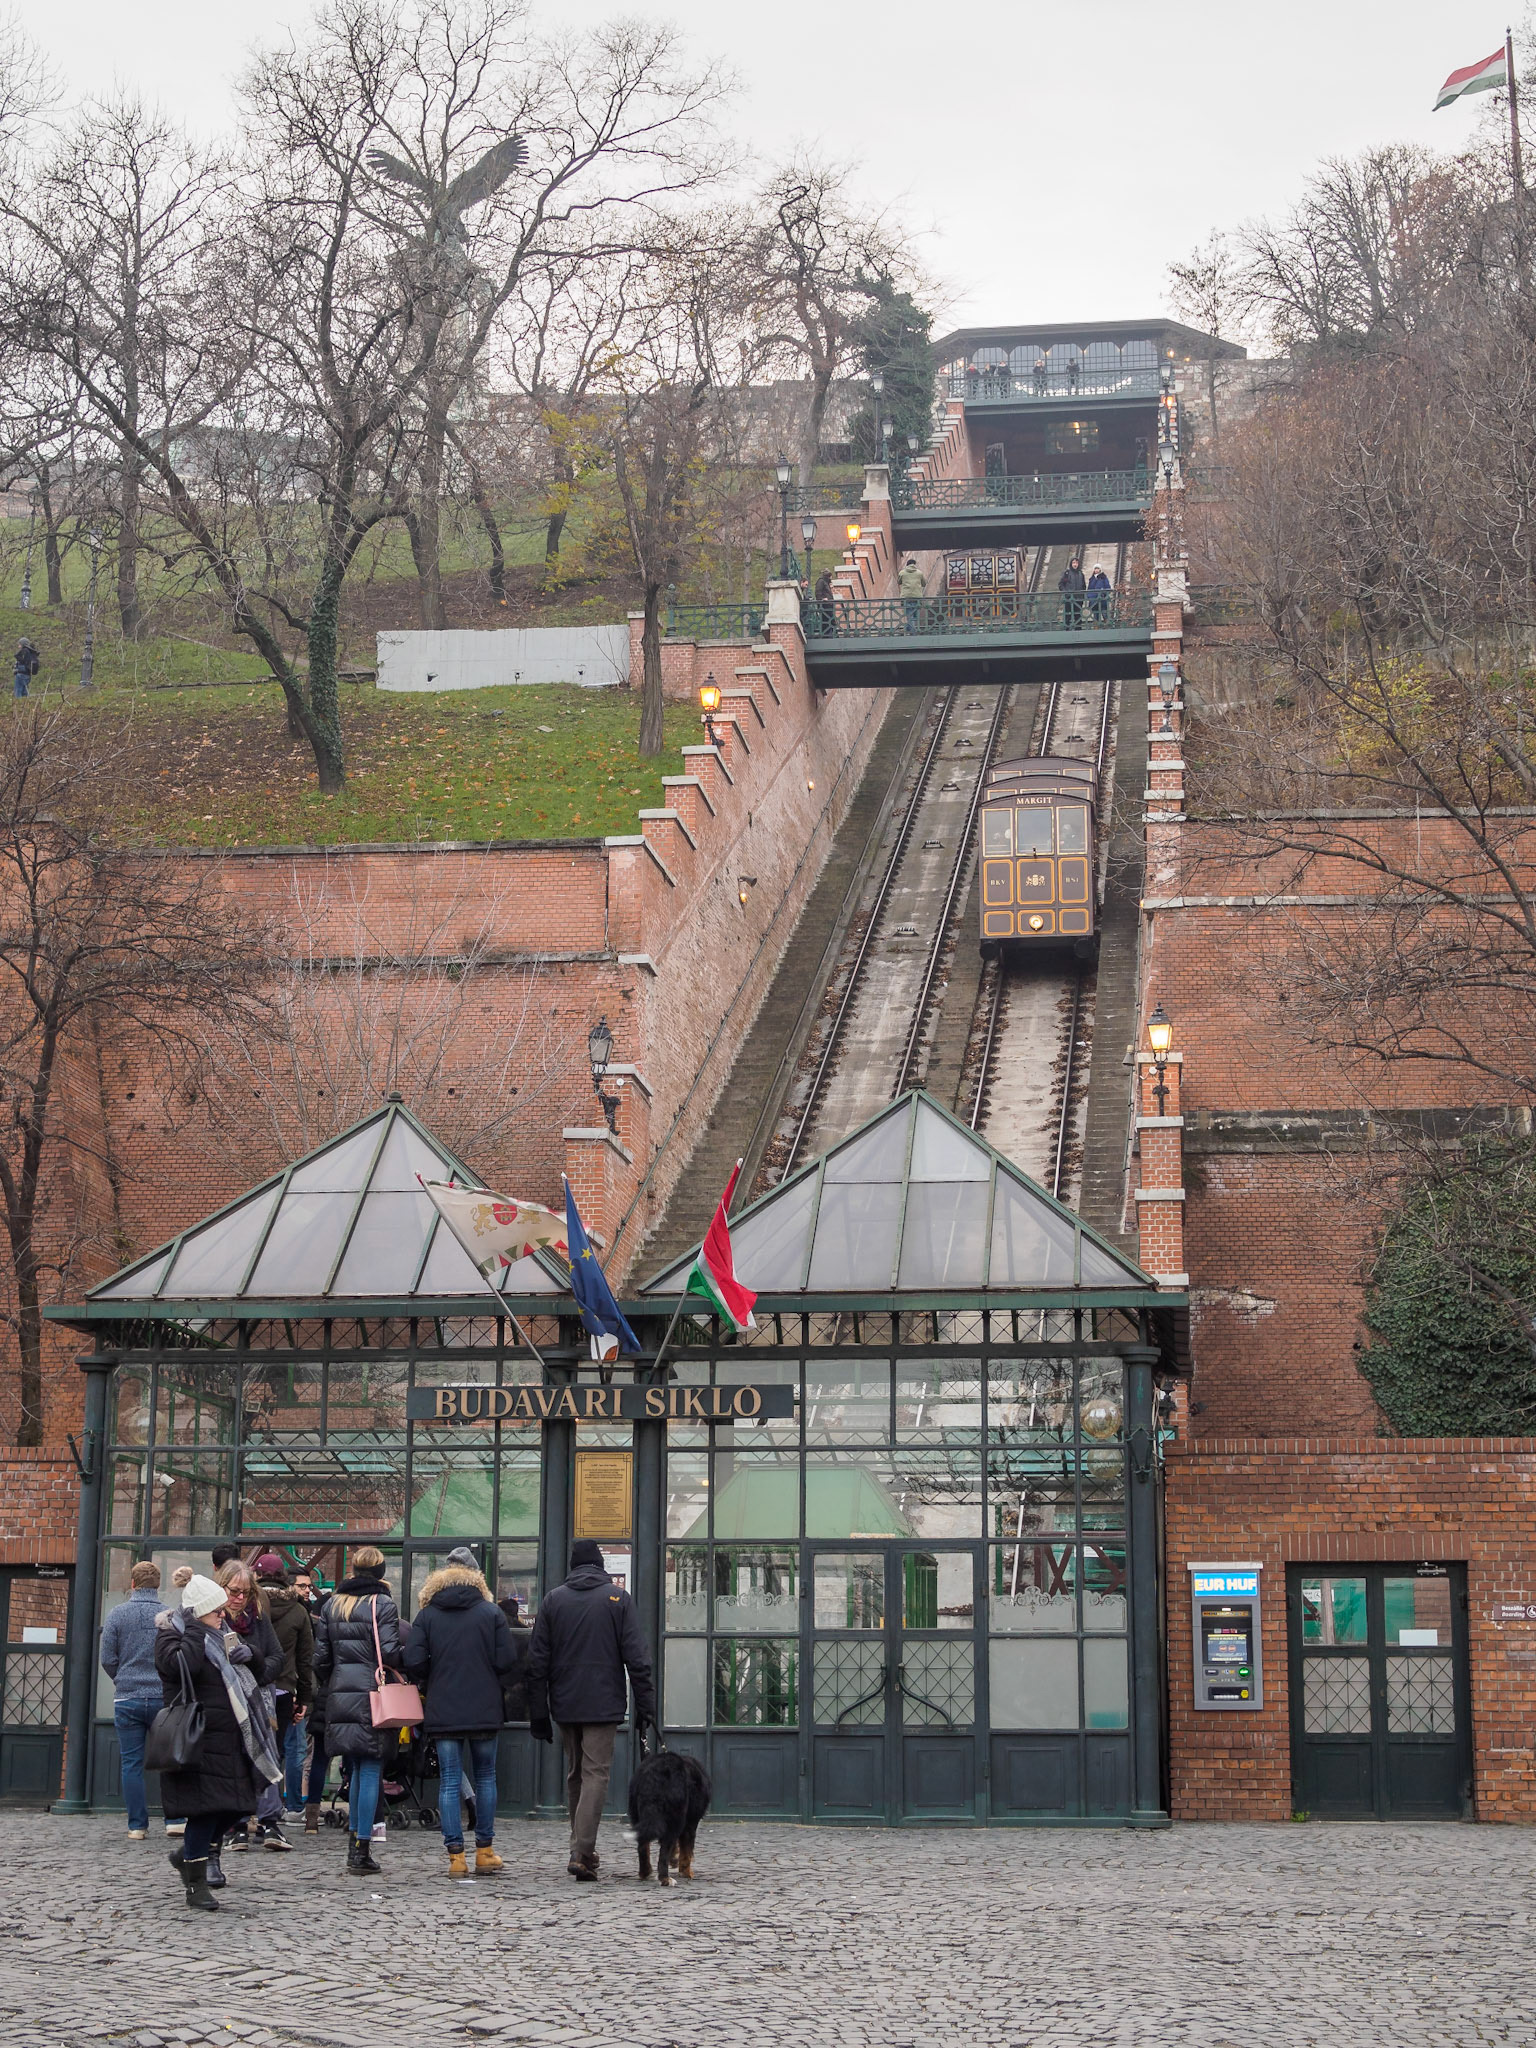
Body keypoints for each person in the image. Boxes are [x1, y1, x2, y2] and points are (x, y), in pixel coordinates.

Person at [527, 1538, 657, 1882]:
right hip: (604, 1702)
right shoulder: (617, 1599)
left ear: (573, 1566)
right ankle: (582, 1850)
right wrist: (647, 1705)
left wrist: (538, 1711)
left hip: (566, 1703)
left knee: (576, 1774)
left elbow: (537, 1662)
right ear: (599, 1565)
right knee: (595, 1774)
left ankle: (581, 1848)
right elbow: (637, 1659)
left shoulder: (554, 1601)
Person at [153, 1574, 282, 1912]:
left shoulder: (219, 1636)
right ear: (200, 1612)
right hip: (196, 1741)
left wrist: (246, 1653)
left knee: (237, 1805)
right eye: (216, 1611)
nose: (223, 1616)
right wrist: (196, 1628)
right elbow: (183, 1665)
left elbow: (258, 1667)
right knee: (203, 1811)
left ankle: (188, 1858)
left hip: (230, 1738)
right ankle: (195, 1884)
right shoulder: (172, 1634)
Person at [403, 1553, 518, 1879]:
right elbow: (507, 1659)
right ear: (475, 1579)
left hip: (444, 1707)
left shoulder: (427, 1615)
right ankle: (484, 1852)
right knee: (485, 1777)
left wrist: (433, 1677)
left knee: (450, 1781)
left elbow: (413, 1660)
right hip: (484, 1707)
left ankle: (456, 1858)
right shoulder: (491, 1612)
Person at [313, 1546, 410, 1875]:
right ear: (381, 1571)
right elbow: (391, 1652)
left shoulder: (332, 1605)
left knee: (353, 1768)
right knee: (371, 1769)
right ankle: (361, 1847)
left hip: (341, 1693)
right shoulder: (381, 1604)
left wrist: (334, 1682)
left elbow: (320, 1658)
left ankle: (355, 1840)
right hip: (372, 1695)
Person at [214, 1560, 286, 1854]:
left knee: (266, 1754)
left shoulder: (257, 1616)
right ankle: (238, 1824)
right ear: (221, 1588)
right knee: (235, 1760)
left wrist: (258, 1664)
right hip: (227, 1698)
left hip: (259, 1697)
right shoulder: (211, 1618)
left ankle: (270, 1821)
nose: (239, 1598)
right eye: (234, 1591)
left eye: (245, 1592)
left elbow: (277, 1657)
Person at [99, 1560, 168, 1840]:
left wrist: (122, 1679)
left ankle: (137, 1826)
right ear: (158, 1584)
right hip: (163, 1697)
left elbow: (107, 1659)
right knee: (170, 1761)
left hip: (127, 1697)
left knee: (131, 1763)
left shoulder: (117, 1614)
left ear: (132, 1583)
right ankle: (175, 1819)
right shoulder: (169, 1615)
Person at [254, 1554, 314, 1823]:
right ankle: (274, 1811)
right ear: (284, 1579)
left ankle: (250, 1814)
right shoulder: (298, 1610)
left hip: (250, 1689)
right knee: (278, 1754)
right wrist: (303, 1699)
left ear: (257, 1577)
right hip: (283, 1691)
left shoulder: (249, 1606)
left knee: (251, 1752)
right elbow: (306, 1660)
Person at [1058, 555, 1086, 629]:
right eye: (1073, 562)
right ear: (1071, 564)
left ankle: (1078, 629)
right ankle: (1067, 630)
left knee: (1078, 615)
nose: (1075, 564)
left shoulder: (1081, 574)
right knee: (1068, 615)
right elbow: (1061, 584)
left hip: (1078, 598)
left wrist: (1082, 596)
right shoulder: (1067, 573)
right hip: (1069, 598)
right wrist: (1066, 593)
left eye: (1076, 563)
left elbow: (1084, 586)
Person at [898, 557, 925, 634]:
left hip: (906, 597)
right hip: (917, 597)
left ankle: (910, 630)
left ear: (907, 565)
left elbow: (899, 581)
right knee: (915, 616)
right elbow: (924, 583)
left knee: (909, 614)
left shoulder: (902, 572)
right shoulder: (920, 573)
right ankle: (912, 630)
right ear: (914, 564)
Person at [813, 569, 835, 637]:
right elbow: (818, 592)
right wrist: (822, 599)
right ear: (829, 576)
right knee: (827, 620)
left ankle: (829, 634)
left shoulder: (826, 582)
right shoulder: (821, 581)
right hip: (824, 605)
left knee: (830, 620)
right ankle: (826, 635)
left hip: (828, 605)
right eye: (831, 577)